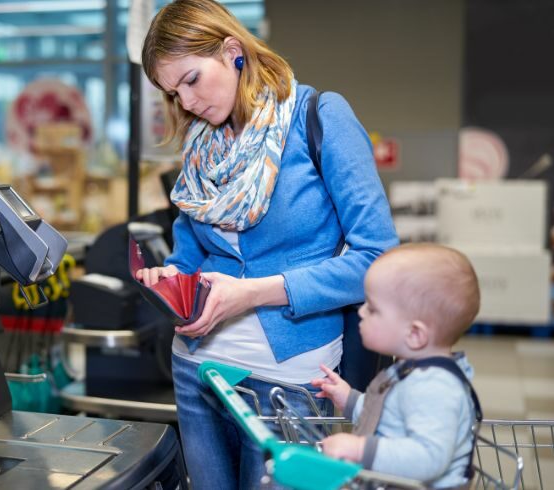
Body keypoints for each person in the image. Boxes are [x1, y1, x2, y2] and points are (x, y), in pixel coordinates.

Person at [137, 0, 398, 488]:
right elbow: (188, 255)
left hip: (290, 377)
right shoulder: (200, 147)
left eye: (191, 80)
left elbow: (378, 258)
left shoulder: (317, 118)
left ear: (232, 51)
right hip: (198, 367)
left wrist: (255, 291)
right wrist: (170, 280)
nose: (187, 104)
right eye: (173, 93)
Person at [311, 243, 481, 488]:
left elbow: (429, 459)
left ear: (414, 334)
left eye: (373, 308)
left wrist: (359, 448)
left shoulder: (434, 386)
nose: (361, 313)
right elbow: (390, 418)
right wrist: (350, 400)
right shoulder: (411, 370)